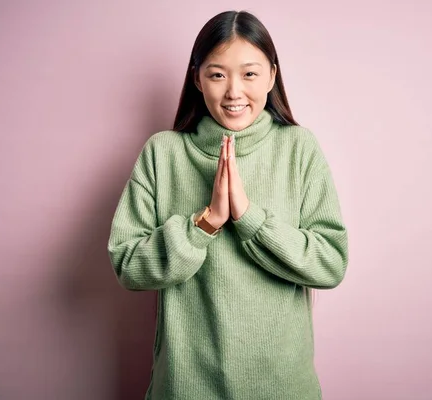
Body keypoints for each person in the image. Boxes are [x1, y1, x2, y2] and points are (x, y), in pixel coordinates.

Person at [108, 10, 349, 400]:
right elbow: (127, 265)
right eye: (218, 74)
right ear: (197, 79)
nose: (234, 91)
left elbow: (331, 262)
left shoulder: (298, 148)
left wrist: (249, 218)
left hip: (282, 386)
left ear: (272, 75)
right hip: (186, 387)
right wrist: (206, 222)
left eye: (250, 74)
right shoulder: (163, 152)